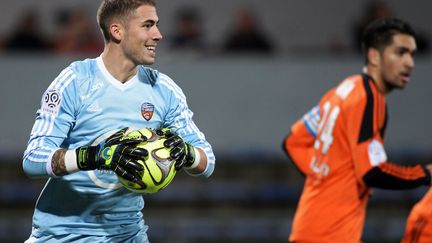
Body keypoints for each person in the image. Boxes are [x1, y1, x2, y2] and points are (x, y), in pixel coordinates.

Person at [22, 0, 215, 242]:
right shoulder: (74, 81)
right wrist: (96, 156)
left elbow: (208, 162)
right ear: (117, 31)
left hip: (126, 234)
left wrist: (187, 153)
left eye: (157, 25)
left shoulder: (164, 90)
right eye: (147, 25)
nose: (158, 35)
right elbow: (33, 159)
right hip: (62, 234)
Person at [283, 18, 432, 242]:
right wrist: (425, 173)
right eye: (400, 53)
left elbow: (293, 142)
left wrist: (326, 174)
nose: (409, 62)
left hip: (309, 226)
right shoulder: (370, 98)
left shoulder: (343, 90)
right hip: (333, 234)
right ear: (374, 56)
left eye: (411, 54)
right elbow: (372, 171)